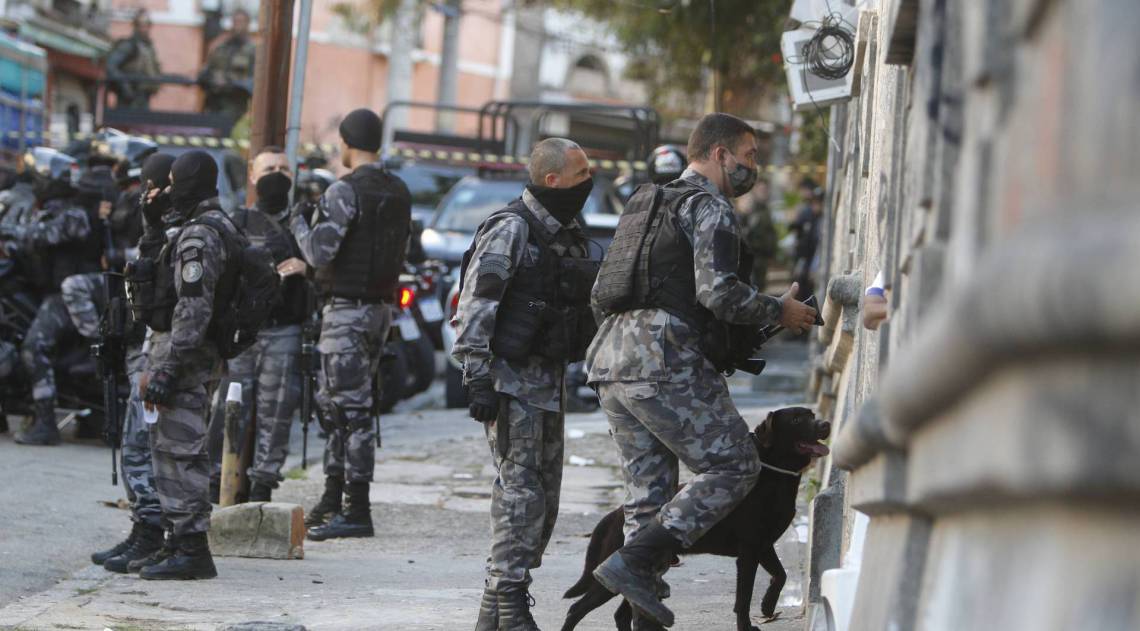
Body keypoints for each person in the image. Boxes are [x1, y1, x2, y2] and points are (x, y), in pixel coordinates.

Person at [585, 113, 819, 628]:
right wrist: (778, 311)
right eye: (750, 156)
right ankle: (631, 561)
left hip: (611, 358)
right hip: (663, 358)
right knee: (736, 464)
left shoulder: (647, 202)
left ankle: (642, 613)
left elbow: (604, 290)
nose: (753, 167)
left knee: (648, 494)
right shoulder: (709, 206)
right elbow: (718, 293)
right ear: (719, 154)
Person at [453, 137, 599, 630]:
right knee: (520, 497)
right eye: (581, 173)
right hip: (510, 385)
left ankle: (492, 614)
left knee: (545, 500)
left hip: (550, 384)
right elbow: (475, 305)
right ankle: (512, 607)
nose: (590, 180)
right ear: (552, 180)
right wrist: (476, 377)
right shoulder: (512, 229)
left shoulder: (566, 234)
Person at [290, 108, 412, 541]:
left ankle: (356, 509)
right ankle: (335, 495)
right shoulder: (398, 190)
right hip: (379, 310)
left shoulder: (345, 190)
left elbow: (320, 253)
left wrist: (300, 223)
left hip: (347, 312)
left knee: (349, 411)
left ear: (346, 142)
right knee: (339, 405)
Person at [133, 150, 237, 580]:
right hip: (193, 356)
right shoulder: (211, 226)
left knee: (181, 451)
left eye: (176, 182)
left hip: (188, 359)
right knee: (172, 449)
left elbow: (193, 309)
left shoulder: (199, 236)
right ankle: (178, 541)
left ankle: (193, 549)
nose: (170, 190)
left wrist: (168, 368)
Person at [86, 152, 176, 574]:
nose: (148, 195)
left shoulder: (178, 234)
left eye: (153, 187)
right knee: (135, 446)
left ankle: (153, 534)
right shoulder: (153, 230)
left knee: (144, 448)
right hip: (143, 350)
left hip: (160, 355)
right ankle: (144, 530)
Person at [206, 146, 307, 502]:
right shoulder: (238, 221)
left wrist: (305, 268)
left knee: (277, 411)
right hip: (244, 334)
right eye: (268, 169)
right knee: (228, 408)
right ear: (252, 176)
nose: (276, 175)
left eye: (283, 168)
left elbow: (325, 264)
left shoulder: (303, 221)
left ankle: (263, 486)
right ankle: (215, 483)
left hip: (284, 331)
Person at [7, 148, 102, 446]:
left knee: (33, 347)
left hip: (66, 294)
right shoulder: (44, 207)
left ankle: (46, 422)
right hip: (49, 290)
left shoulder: (74, 212)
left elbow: (40, 235)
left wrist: (8, 231)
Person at [198, 9, 256, 118]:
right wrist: (211, 79)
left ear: (247, 24)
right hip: (213, 102)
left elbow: (253, 81)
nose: (237, 26)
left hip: (235, 106)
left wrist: (228, 82)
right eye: (234, 21)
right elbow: (205, 72)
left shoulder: (253, 51)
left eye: (240, 22)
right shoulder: (221, 48)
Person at [106, 10, 162, 110]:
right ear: (136, 27)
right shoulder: (129, 45)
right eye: (141, 25)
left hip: (143, 95)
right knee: (125, 124)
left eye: (147, 25)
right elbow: (111, 66)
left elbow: (154, 71)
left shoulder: (148, 47)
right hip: (129, 96)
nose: (144, 29)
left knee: (142, 124)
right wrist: (125, 87)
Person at [737, 178, 778, 292]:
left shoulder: (765, 209)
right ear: (755, 190)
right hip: (751, 255)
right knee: (752, 287)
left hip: (763, 256)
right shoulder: (749, 208)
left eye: (766, 190)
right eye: (761, 189)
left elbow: (770, 233)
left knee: (761, 287)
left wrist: (772, 253)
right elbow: (741, 230)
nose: (764, 192)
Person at [790, 179, 823, 300]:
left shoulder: (815, 218)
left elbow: (817, 245)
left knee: (806, 293)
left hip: (809, 261)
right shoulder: (806, 212)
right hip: (804, 258)